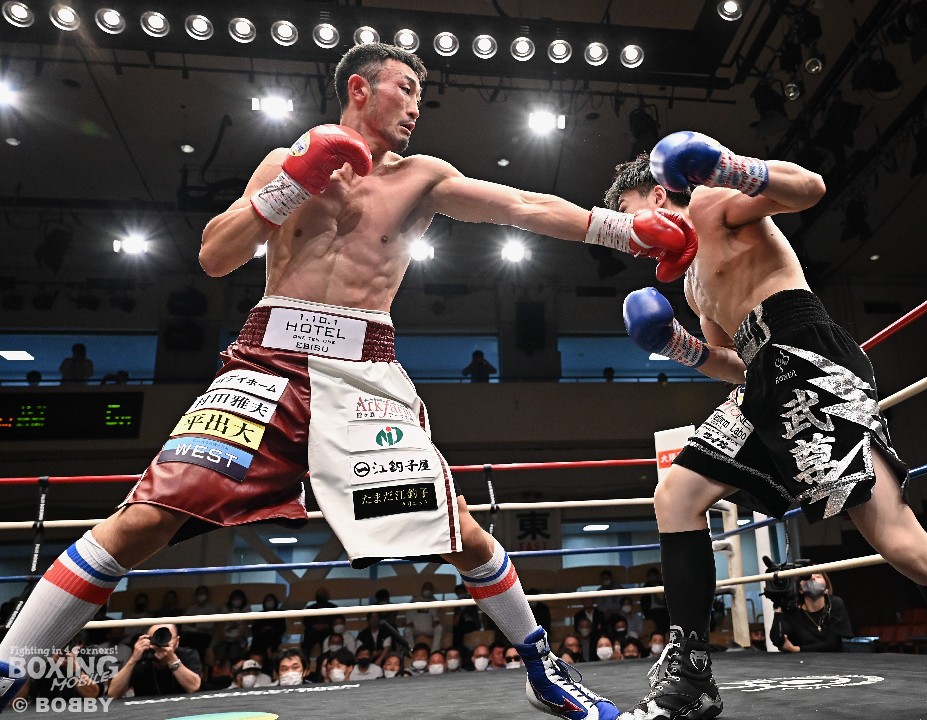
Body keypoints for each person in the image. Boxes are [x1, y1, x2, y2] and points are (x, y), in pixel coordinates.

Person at [0, 42, 700, 720]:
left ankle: (544, 668)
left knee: (456, 531)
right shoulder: (286, 159)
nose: (417, 106)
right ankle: (10, 668)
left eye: (422, 95)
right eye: (407, 89)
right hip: (264, 369)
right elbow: (215, 255)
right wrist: (292, 184)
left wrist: (628, 232)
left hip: (366, 383)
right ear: (359, 89)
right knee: (144, 520)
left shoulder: (422, 177)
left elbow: (523, 205)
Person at [612, 131, 927, 719]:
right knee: (675, 494)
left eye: (631, 217)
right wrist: (677, 345)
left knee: (905, 548)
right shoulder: (693, 283)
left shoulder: (710, 201)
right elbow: (733, 362)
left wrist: (725, 167)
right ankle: (691, 675)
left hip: (809, 357)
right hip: (762, 380)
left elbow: (808, 188)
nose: (635, 238)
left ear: (659, 195)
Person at [106, 623, 202, 698]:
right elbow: (113, 694)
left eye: (166, 637)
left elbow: (194, 687)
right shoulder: (141, 659)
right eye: (156, 637)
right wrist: (133, 659)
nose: (161, 641)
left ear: (177, 642)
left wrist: (172, 660)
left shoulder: (188, 655)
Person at [769, 572, 852, 653]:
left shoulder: (835, 604)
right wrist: (778, 608)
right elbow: (777, 641)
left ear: (826, 589)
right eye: (807, 577)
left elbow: (830, 644)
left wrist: (796, 649)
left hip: (835, 659)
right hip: (804, 661)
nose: (812, 578)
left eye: (818, 576)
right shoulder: (793, 612)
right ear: (800, 589)